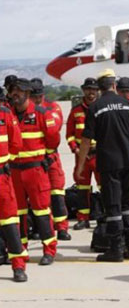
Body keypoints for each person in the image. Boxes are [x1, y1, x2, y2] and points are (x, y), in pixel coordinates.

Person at [76, 69, 129, 262]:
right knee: (128, 205)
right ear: (114, 85)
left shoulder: (95, 108)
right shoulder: (128, 105)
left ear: (100, 87)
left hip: (110, 163)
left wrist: (80, 166)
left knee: (112, 207)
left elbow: (86, 140)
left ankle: (115, 249)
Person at [10, 78, 60, 265]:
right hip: (14, 171)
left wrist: (45, 157)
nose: (15, 94)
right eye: (12, 91)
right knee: (18, 213)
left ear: (28, 94)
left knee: (41, 211)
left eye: (19, 91)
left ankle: (49, 249)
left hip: (35, 170)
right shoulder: (9, 114)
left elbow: (53, 139)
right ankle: (21, 250)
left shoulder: (41, 114)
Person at [30, 78, 71, 241]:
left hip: (51, 156)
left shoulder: (53, 107)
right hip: (36, 158)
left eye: (39, 95)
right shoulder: (26, 111)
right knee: (39, 197)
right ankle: (42, 228)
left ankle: (62, 228)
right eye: (34, 96)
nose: (37, 99)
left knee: (57, 193)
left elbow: (53, 129)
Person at [0, 100, 29, 281]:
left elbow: (16, 143)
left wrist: (5, 160)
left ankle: (18, 266)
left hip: (2, 176)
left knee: (10, 221)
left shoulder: (5, 114)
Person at [66, 78, 100, 230]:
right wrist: (76, 149)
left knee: (104, 187)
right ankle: (83, 218)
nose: (90, 92)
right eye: (88, 89)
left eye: (93, 89)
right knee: (82, 188)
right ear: (83, 90)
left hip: (99, 155)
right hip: (81, 156)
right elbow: (69, 135)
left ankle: (104, 217)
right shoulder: (76, 111)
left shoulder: (101, 109)